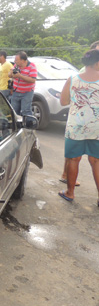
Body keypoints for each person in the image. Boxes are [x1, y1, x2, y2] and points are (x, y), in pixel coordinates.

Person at [58, 49, 99, 206]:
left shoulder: (72, 79)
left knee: (74, 159)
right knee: (96, 161)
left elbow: (63, 102)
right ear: (96, 63)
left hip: (76, 126)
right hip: (96, 127)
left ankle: (70, 193)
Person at [8, 51, 37, 116]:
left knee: (25, 111)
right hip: (16, 91)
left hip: (27, 92)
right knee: (14, 111)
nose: (15, 61)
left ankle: (27, 125)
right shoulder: (16, 66)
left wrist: (20, 76)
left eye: (16, 60)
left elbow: (33, 79)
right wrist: (11, 73)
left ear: (23, 61)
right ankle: (16, 125)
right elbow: (9, 75)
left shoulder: (32, 66)